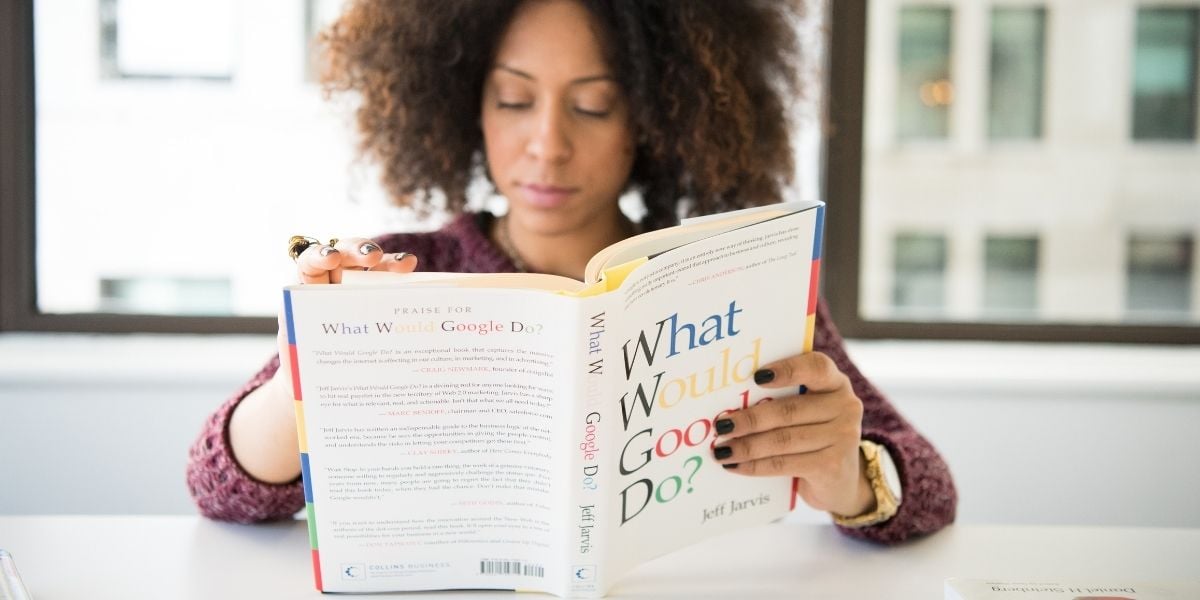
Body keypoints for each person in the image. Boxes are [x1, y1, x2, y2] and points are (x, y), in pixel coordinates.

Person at [187, 0, 956, 545]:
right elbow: (219, 485)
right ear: (465, 106)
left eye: (592, 107)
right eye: (515, 100)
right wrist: (315, 361)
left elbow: (929, 486)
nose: (547, 145)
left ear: (653, 121)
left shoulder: (733, 282)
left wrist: (849, 473)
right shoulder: (401, 270)